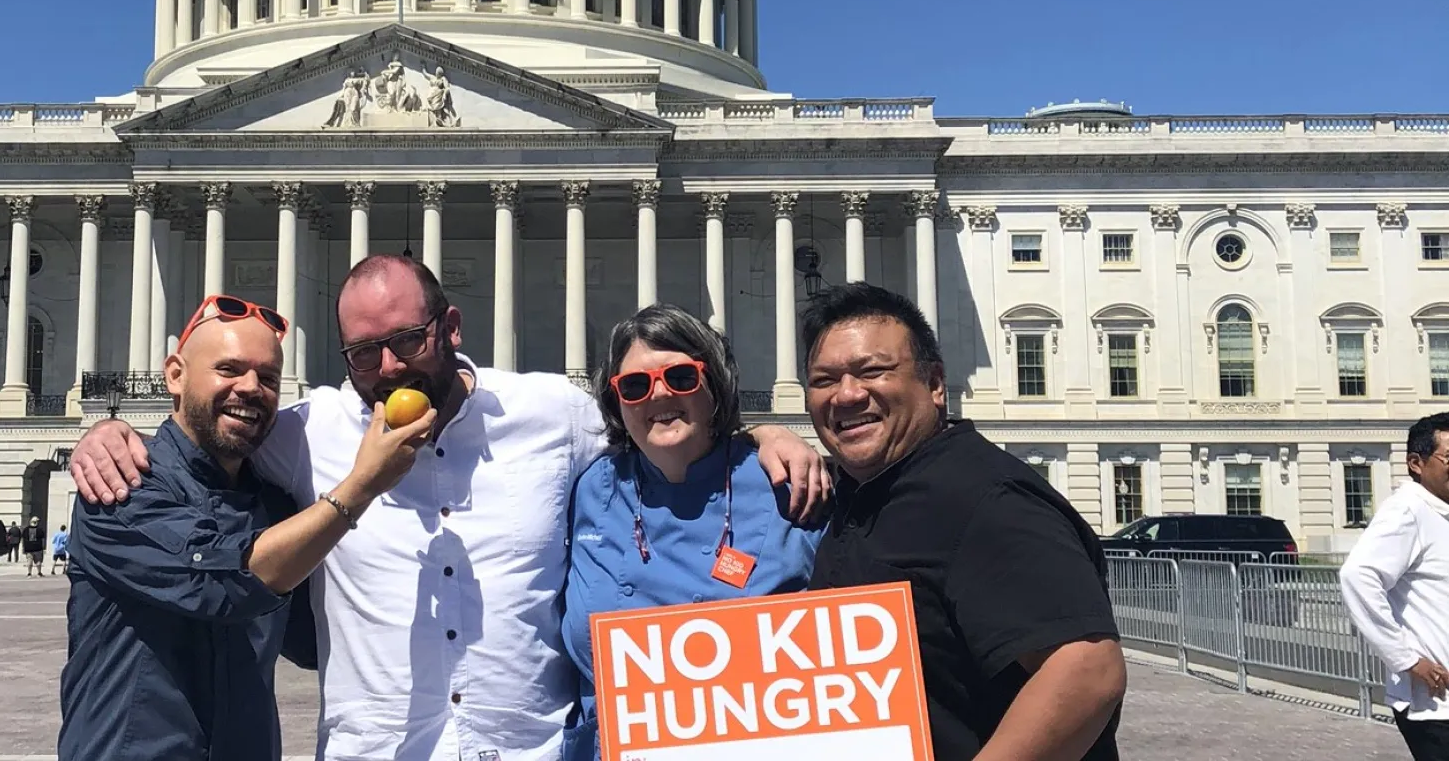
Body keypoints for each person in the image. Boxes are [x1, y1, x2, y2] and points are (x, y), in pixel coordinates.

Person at [70, 254, 831, 761]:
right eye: (365, 353)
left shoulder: (553, 414)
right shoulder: (308, 435)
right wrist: (108, 434)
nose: (389, 367)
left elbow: (663, 425)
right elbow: (209, 445)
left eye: (406, 340)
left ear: (451, 327)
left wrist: (761, 429)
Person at [60, 294, 435, 761]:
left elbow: (318, 639)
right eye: (229, 369)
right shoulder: (123, 484)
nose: (251, 388)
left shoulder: (273, 505)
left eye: (269, 378)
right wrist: (360, 488)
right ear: (175, 375)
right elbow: (224, 580)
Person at [800, 282, 1126, 761]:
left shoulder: (985, 497)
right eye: (824, 380)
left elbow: (1087, 670)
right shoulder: (866, 491)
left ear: (934, 384)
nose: (847, 394)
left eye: (873, 371)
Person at [561, 304, 826, 759]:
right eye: (635, 386)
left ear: (715, 386)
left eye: (681, 377)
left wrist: (766, 432)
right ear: (616, 402)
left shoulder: (785, 484)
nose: (658, 396)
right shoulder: (590, 486)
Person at [1339, 412, 1449, 759]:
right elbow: (1357, 577)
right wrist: (1406, 659)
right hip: (1434, 707)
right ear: (1416, 463)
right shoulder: (1407, 511)